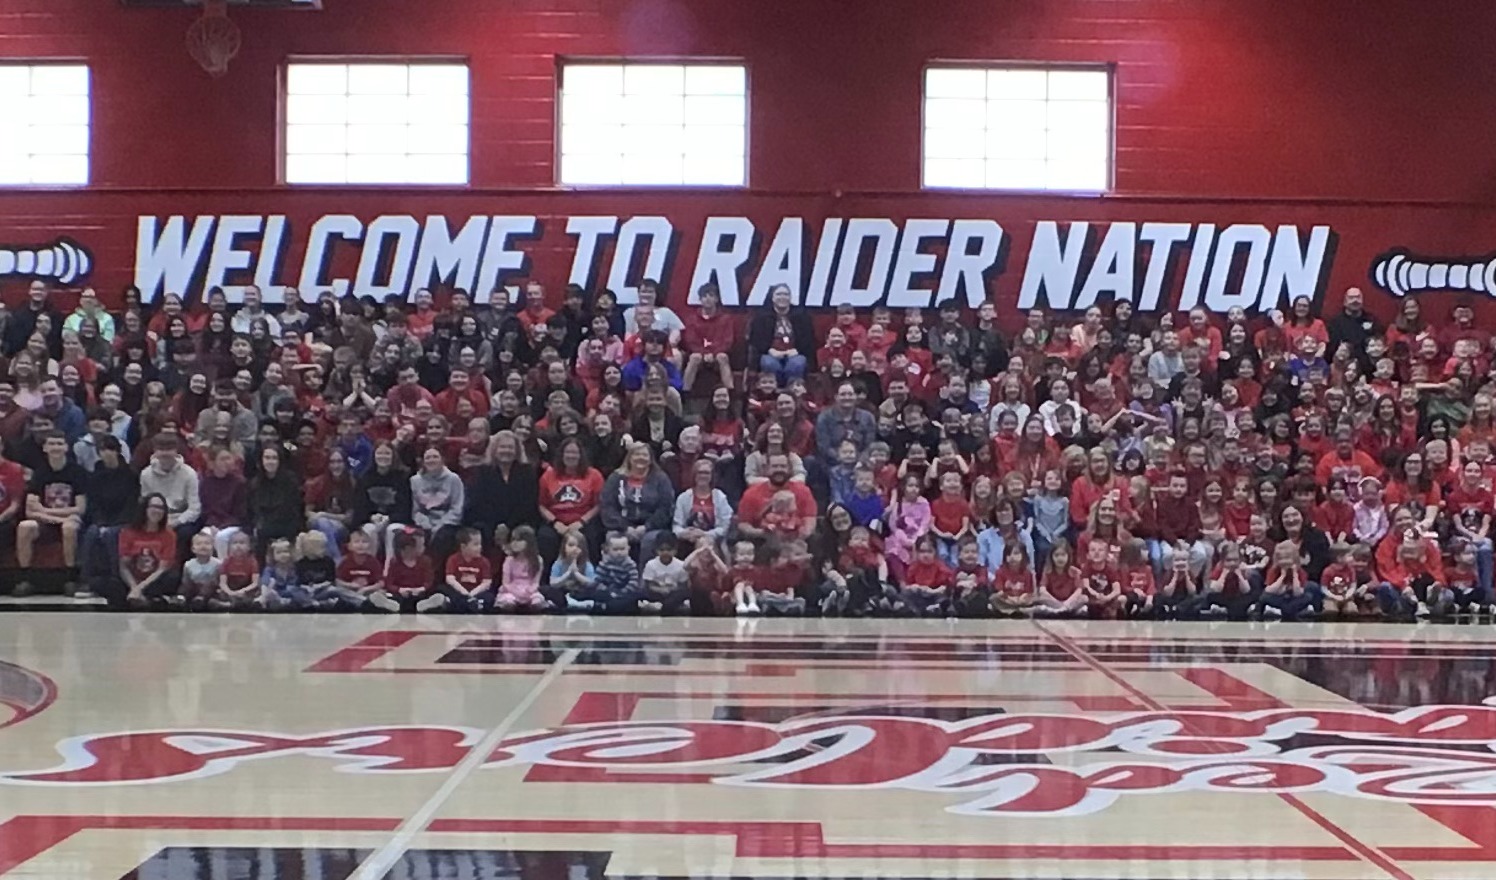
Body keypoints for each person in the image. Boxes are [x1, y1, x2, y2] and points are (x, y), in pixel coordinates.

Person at [15, 431, 87, 595]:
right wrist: (55, 518)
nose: (56, 447)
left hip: (68, 521)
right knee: (25, 526)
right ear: (45, 448)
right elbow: (30, 511)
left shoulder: (76, 472)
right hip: (48, 522)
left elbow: (80, 508)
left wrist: (44, 511)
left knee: (69, 528)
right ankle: (24, 578)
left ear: (66, 447)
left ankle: (70, 579)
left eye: (59, 443)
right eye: (52, 444)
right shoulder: (39, 473)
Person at [600, 442, 676, 562]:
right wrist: (625, 527)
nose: (641, 457)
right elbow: (608, 506)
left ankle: (643, 578)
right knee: (613, 538)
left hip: (650, 527)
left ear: (651, 459)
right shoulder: (615, 478)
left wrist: (646, 527)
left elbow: (665, 507)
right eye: (636, 454)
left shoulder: (661, 478)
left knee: (650, 541)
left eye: (645, 455)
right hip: (621, 526)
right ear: (629, 458)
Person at [747, 284, 816, 387]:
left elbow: (808, 339)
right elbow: (756, 340)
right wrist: (770, 351)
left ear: (790, 297)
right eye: (779, 294)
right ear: (773, 297)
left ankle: (792, 391)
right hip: (770, 353)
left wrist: (797, 350)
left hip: (795, 353)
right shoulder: (762, 316)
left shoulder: (801, 315)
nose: (782, 297)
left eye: (786, 294)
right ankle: (776, 391)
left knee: (796, 364)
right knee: (769, 364)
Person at [496, 525, 546, 612]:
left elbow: (535, 582)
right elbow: (506, 582)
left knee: (537, 601)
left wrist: (529, 591)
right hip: (511, 590)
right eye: (513, 540)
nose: (514, 543)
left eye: (518, 540)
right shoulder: (509, 560)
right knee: (508, 601)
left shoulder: (538, 560)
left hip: (529, 591)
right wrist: (515, 592)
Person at [640, 532, 690, 614]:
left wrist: (671, 589)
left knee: (682, 594)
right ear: (656, 550)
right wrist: (660, 590)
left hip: (673, 593)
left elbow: (683, 585)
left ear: (675, 550)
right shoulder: (651, 564)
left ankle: (662, 607)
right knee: (641, 593)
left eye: (669, 549)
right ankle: (660, 606)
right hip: (656, 593)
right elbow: (649, 585)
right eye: (662, 550)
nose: (665, 553)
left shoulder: (681, 565)